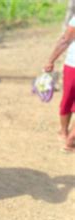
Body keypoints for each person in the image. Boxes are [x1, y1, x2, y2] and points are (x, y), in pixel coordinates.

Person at [44, 15, 75, 152]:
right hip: (72, 65)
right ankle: (68, 137)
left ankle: (67, 135)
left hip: (72, 66)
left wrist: (51, 60)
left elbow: (65, 39)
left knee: (67, 100)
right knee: (67, 101)